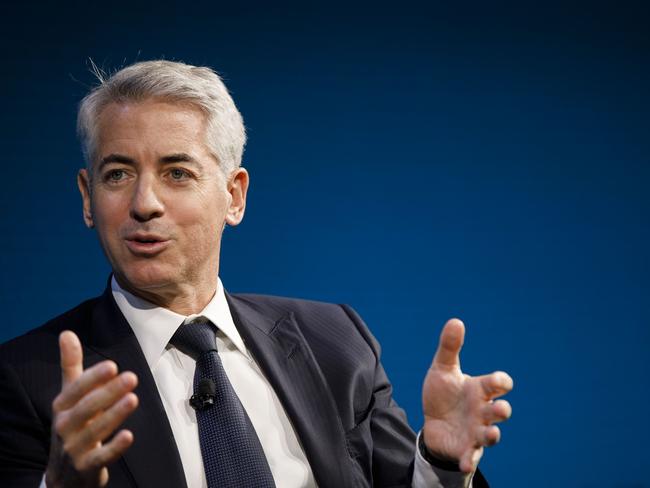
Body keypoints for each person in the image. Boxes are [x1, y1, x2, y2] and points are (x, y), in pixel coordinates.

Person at [0, 60, 513, 488]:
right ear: (88, 198)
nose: (145, 204)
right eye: (118, 175)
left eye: (177, 173)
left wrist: (441, 462)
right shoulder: (26, 380)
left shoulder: (335, 342)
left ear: (234, 196)